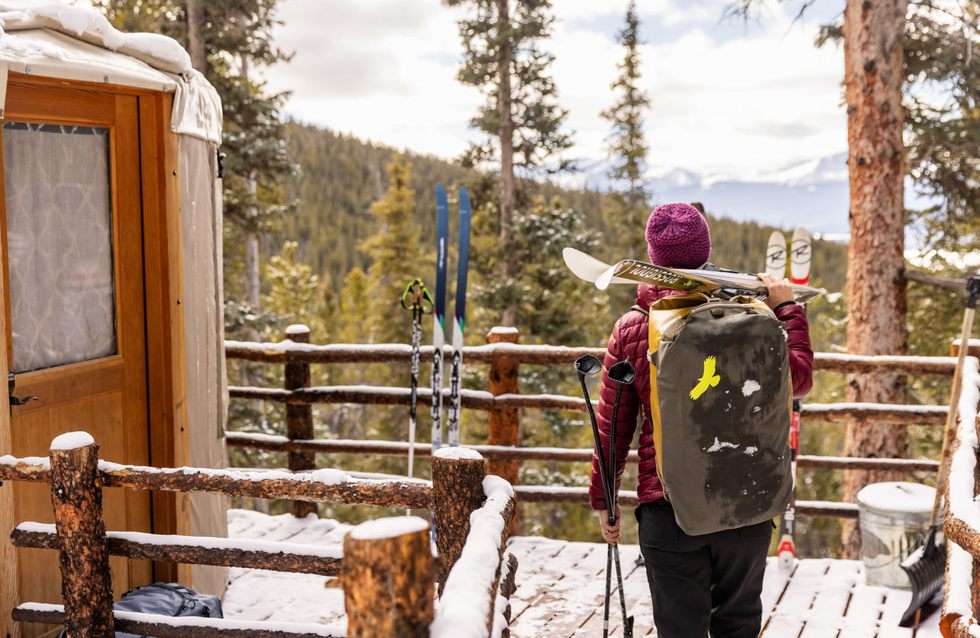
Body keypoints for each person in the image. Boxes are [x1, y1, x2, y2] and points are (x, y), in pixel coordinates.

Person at [588, 202, 814, 638]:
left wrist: (606, 499)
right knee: (738, 625)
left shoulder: (633, 328)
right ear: (705, 249)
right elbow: (798, 380)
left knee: (679, 630)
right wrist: (788, 309)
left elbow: (613, 425)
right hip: (744, 504)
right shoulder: (753, 317)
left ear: (653, 259)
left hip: (669, 509)